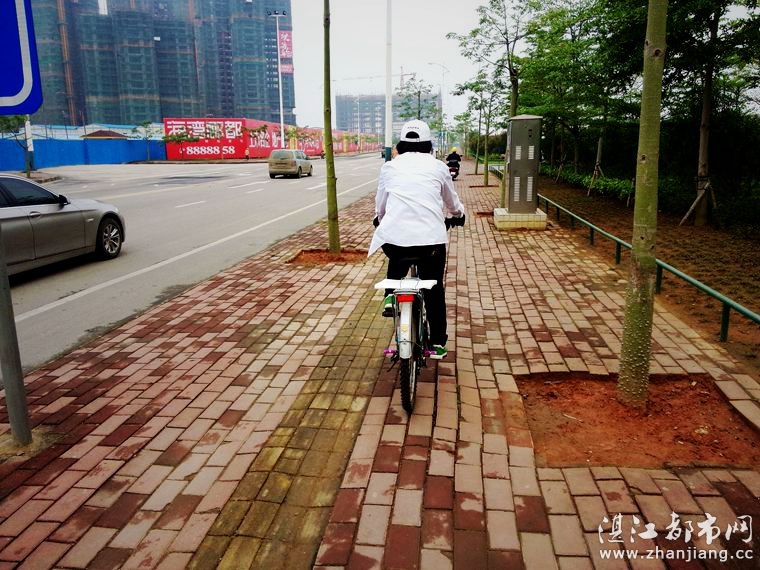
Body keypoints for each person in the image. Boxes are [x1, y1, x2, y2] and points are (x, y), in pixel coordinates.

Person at [369, 119, 465, 359]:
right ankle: (438, 343)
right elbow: (451, 201)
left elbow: (381, 204)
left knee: (397, 251)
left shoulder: (389, 167)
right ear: (429, 144)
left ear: (401, 144)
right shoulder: (439, 167)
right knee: (434, 288)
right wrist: (458, 215)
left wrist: (380, 218)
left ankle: (390, 295)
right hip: (430, 241)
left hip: (395, 241)